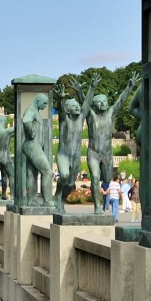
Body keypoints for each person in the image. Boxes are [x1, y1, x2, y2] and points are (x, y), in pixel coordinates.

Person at [84, 73, 139, 214]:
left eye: (105, 101)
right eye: (99, 101)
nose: (103, 103)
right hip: (93, 153)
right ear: (94, 105)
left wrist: (129, 87)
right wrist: (91, 88)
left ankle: (104, 204)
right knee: (95, 177)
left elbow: (120, 101)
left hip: (107, 154)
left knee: (107, 180)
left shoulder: (110, 114)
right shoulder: (91, 116)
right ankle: (97, 207)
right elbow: (84, 103)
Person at [54, 79, 94, 211]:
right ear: (67, 109)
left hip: (76, 157)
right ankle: (57, 194)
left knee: (71, 184)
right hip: (63, 155)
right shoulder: (64, 120)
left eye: (77, 105)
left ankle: (62, 201)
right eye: (74, 106)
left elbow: (87, 104)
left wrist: (91, 88)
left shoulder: (81, 119)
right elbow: (61, 111)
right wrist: (60, 99)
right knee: (64, 175)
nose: (77, 107)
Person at [20, 93, 53, 206]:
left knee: (32, 174)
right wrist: (31, 132)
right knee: (47, 171)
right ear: (38, 101)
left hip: (32, 146)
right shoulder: (31, 110)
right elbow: (26, 121)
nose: (45, 106)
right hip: (32, 145)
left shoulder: (34, 110)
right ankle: (47, 201)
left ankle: (31, 200)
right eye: (44, 103)